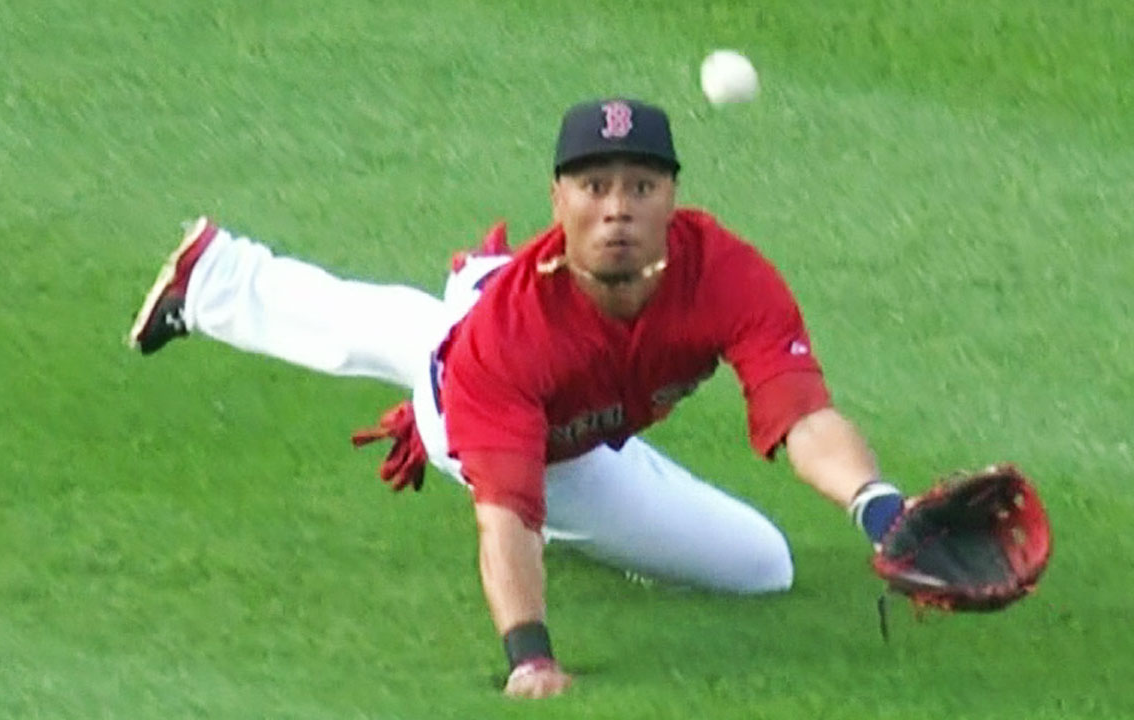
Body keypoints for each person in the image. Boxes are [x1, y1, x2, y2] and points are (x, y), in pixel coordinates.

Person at [126, 98, 907, 700]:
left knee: (764, 567)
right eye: (594, 186)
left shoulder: (726, 273)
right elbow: (508, 515)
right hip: (487, 409)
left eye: (641, 186)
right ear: (557, 197)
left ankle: (222, 279)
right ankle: (283, 304)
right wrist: (529, 654)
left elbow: (799, 413)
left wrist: (882, 509)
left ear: (673, 197)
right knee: (465, 373)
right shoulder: (512, 341)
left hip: (523, 346)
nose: (617, 208)